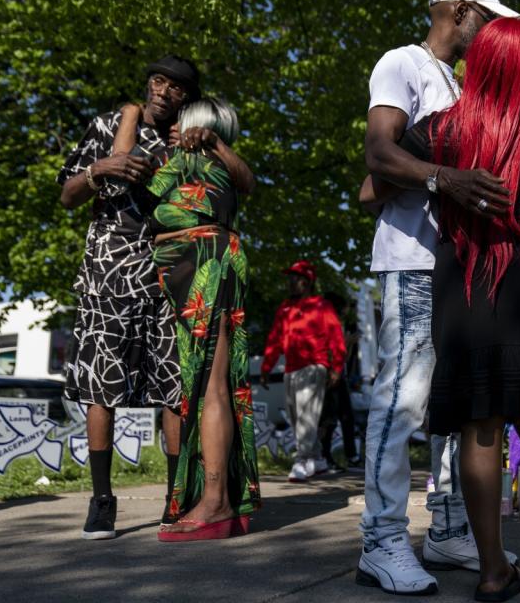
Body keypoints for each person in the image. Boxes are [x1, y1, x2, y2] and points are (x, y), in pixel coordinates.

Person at [397, 18, 520, 602]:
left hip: (463, 284)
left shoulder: (439, 133)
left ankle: (491, 572)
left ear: (477, 65)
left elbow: (379, 169)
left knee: (478, 424)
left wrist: (438, 178)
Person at [356, 0, 519, 597]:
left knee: (456, 405)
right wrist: (443, 178)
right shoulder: (403, 63)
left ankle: (448, 528)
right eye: (486, 18)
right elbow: (378, 154)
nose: (490, 32)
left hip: (460, 265)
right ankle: (382, 539)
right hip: (412, 260)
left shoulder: (459, 79)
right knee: (403, 399)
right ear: (456, 10)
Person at [57, 55, 198, 539]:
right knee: (101, 381)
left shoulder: (188, 140)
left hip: (167, 273)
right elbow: (68, 195)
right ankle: (101, 502)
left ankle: (176, 499)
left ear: (186, 98)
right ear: (148, 84)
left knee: (174, 385)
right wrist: (103, 167)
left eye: (177, 87)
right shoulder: (108, 125)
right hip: (108, 270)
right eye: (159, 81)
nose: (165, 91)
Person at [108, 96, 260, 541]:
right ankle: (217, 498)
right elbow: (121, 170)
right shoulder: (170, 161)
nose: (174, 126)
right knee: (199, 383)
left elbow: (249, 182)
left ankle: (217, 502)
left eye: (183, 121)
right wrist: (133, 117)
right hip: (184, 264)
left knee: (212, 383)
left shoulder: (207, 157)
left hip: (205, 261)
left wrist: (211, 139)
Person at [261, 260, 346, 482]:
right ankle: (318, 460)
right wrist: (266, 367)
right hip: (291, 369)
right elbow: (275, 339)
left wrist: (336, 367)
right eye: (289, 277)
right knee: (296, 418)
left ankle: (302, 460)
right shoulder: (285, 307)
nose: (290, 282)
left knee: (307, 417)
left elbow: (336, 338)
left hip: (314, 367)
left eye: (295, 278)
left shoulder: (321, 306)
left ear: (307, 281)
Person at [319, 291, 362, 471]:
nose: (346, 312)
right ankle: (325, 457)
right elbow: (331, 350)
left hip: (340, 374)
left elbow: (345, 357)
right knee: (329, 419)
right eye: (344, 308)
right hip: (329, 375)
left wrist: (350, 344)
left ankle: (351, 456)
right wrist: (347, 342)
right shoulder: (326, 324)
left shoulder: (339, 324)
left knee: (346, 417)